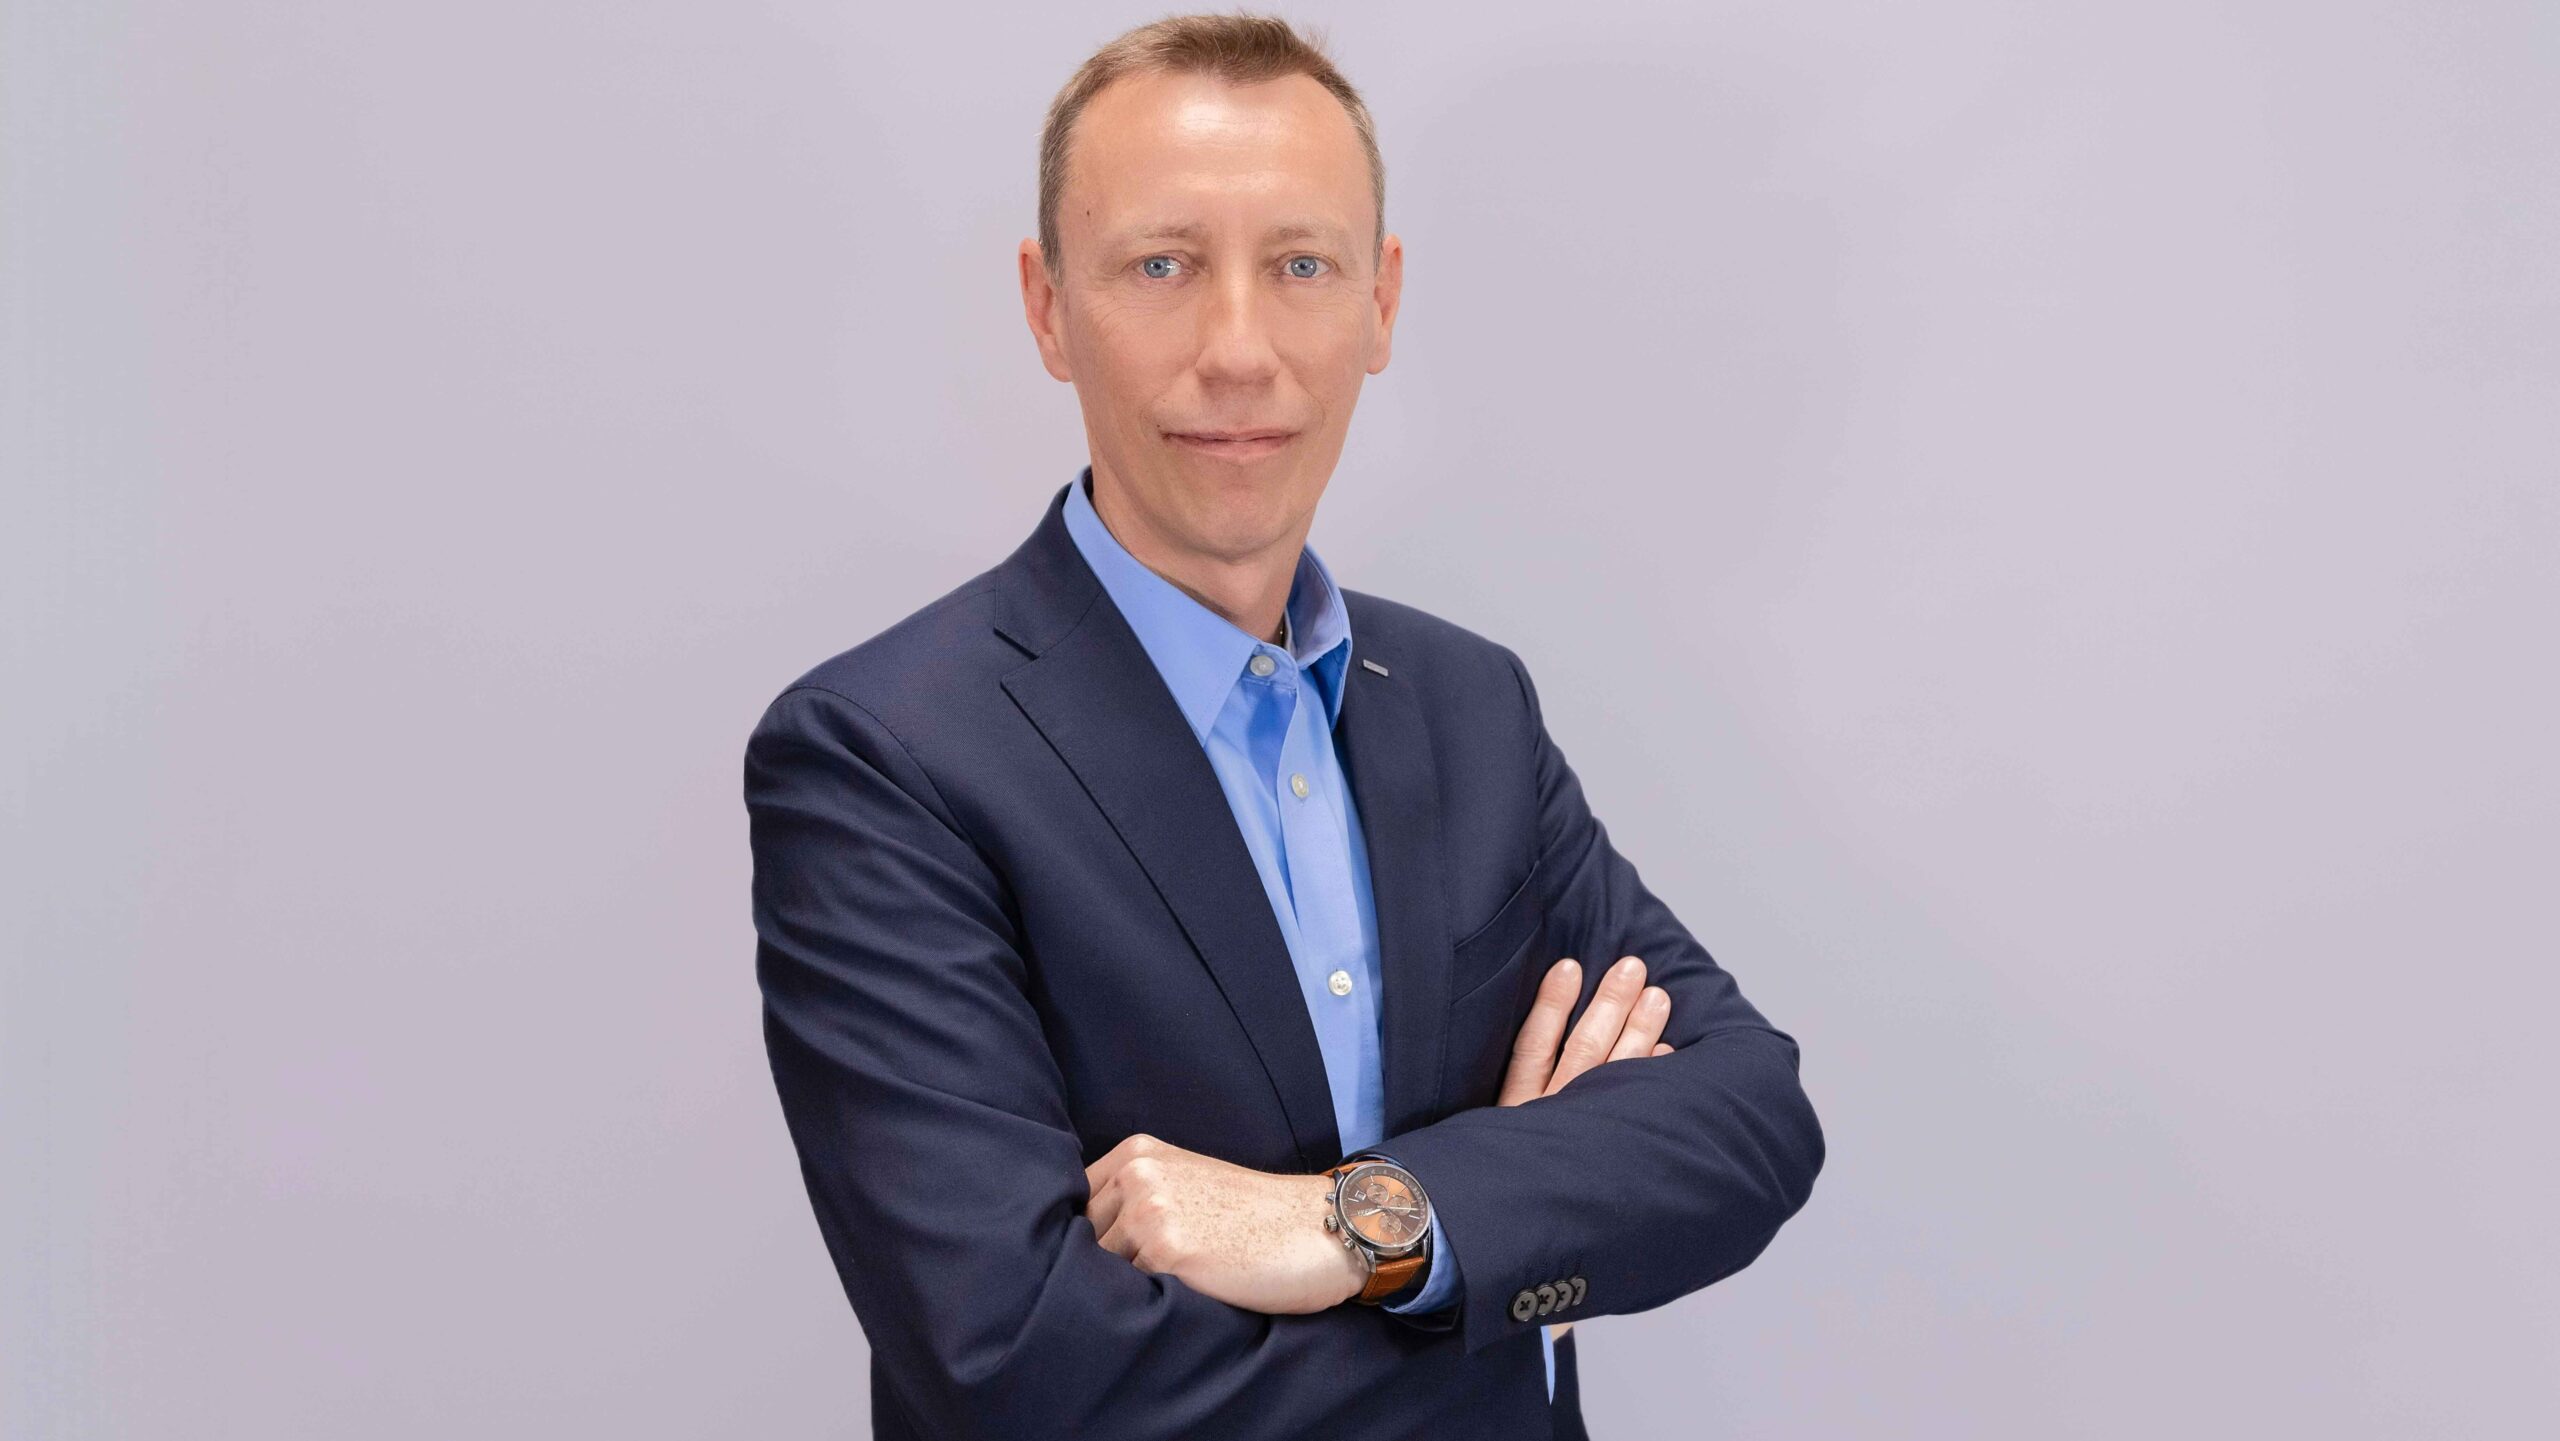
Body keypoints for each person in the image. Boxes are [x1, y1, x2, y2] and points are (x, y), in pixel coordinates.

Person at [742, 14, 1825, 1439]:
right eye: (1163, 265)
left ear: (1381, 303)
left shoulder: (1468, 704)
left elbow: (1750, 1117)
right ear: (1048, 307)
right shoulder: (881, 757)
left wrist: (1351, 1226)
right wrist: (1500, 1295)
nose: (1239, 351)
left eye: (1302, 265)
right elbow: (1022, 1369)